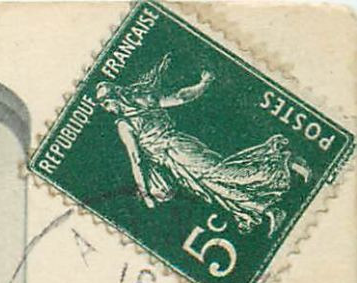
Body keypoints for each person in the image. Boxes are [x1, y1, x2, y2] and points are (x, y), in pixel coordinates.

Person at [95, 55, 310, 234]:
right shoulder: (144, 100)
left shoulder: (125, 123)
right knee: (213, 187)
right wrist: (203, 84)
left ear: (115, 96)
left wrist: (145, 190)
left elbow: (136, 158)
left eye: (106, 103)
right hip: (175, 160)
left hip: (178, 150)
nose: (107, 109)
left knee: (223, 174)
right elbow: (180, 98)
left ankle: (285, 161)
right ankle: (268, 210)